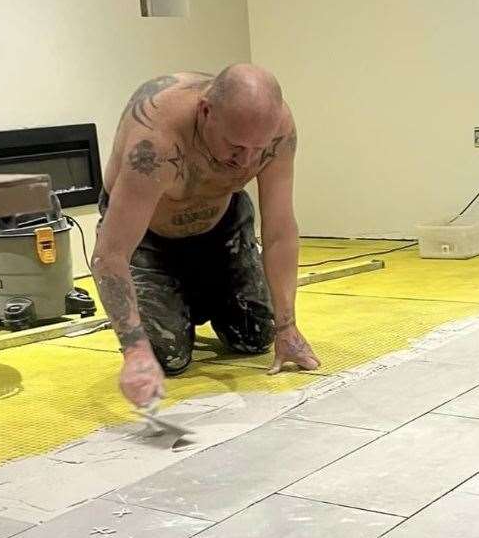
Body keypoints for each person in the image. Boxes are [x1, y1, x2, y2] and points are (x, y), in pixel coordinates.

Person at [92, 64, 321, 407]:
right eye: (236, 147)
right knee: (166, 358)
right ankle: (174, 298)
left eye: (257, 149)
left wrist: (287, 327)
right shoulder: (155, 138)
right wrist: (134, 349)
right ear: (205, 112)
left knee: (255, 336)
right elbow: (109, 255)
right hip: (150, 241)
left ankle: (199, 296)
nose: (247, 162)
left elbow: (280, 231)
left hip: (220, 229)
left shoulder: (276, 128)